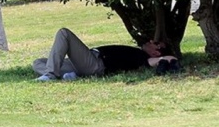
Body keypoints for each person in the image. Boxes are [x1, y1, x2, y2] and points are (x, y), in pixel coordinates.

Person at [33, 28, 180, 81]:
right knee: (38, 62)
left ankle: (51, 74)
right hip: (83, 63)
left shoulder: (142, 57)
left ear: (155, 51)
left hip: (95, 64)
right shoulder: (138, 52)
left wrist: (167, 59)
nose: (150, 41)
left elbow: (156, 61)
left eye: (155, 43)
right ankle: (73, 75)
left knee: (64, 33)